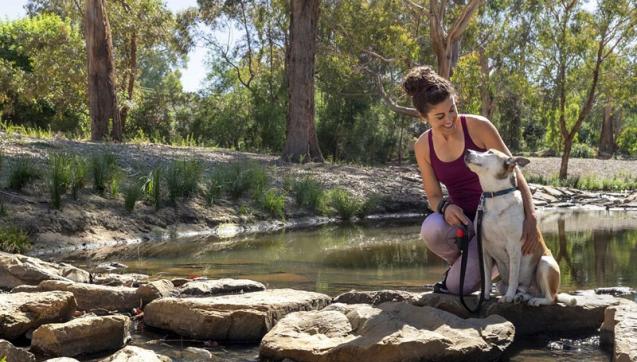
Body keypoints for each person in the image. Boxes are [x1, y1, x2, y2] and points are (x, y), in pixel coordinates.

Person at [402, 65, 539, 295]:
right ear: (423, 117)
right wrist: (445, 207)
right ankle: (471, 265)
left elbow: (514, 170)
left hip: (497, 220)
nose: (450, 120)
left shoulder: (478, 127)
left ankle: (490, 264)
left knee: (456, 287)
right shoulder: (423, 146)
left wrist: (532, 217)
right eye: (440, 116)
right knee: (431, 228)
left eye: (452, 110)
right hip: (464, 223)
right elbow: (433, 196)